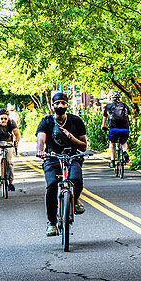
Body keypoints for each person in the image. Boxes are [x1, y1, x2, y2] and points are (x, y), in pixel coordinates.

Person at [36, 91, 88, 236]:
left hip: (72, 156)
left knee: (76, 180)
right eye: (57, 103)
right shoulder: (46, 121)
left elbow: (83, 146)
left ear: (67, 105)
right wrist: (41, 151)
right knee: (52, 185)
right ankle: (51, 223)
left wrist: (71, 137)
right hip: (52, 157)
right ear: (53, 105)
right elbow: (41, 139)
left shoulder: (76, 121)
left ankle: (75, 200)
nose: (60, 106)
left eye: (63, 103)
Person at [101, 91, 131, 167]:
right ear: (119, 99)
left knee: (112, 143)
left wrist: (103, 127)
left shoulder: (108, 107)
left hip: (113, 129)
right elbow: (129, 118)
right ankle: (125, 152)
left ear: (111, 99)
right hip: (124, 129)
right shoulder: (125, 106)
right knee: (124, 142)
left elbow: (104, 119)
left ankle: (112, 161)